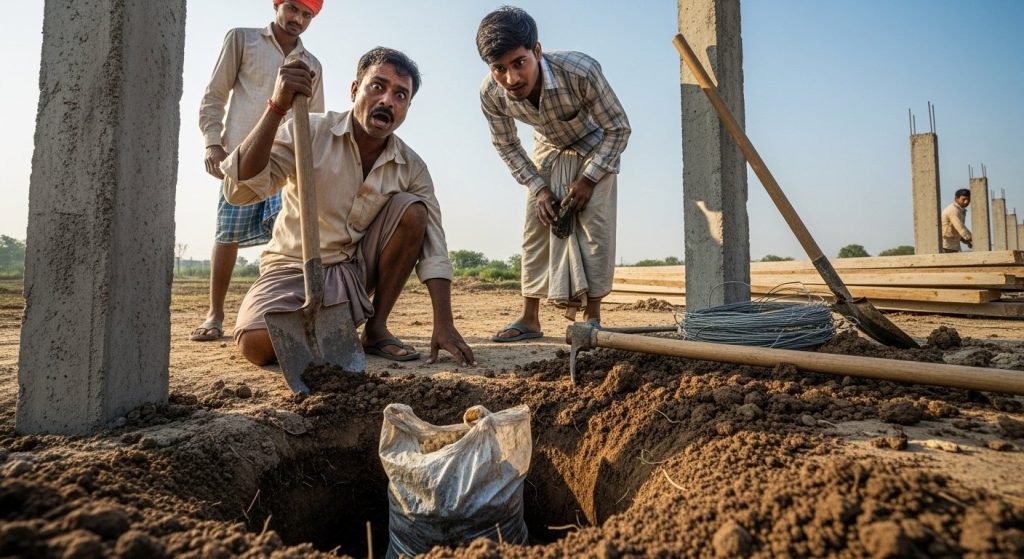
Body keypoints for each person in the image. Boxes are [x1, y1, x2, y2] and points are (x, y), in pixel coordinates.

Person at [221, 47, 475, 367]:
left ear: (407, 108)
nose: (387, 101)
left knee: (414, 211)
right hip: (291, 267)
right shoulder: (309, 130)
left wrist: (444, 323)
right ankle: (326, 329)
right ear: (355, 90)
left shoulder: (412, 167)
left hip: (352, 272)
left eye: (400, 95)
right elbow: (239, 190)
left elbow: (434, 245)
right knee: (255, 345)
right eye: (377, 86)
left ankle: (376, 327)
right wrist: (276, 107)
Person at [476, 6, 630, 342]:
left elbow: (618, 129)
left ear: (537, 51)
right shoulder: (490, 93)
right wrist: (539, 188)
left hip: (595, 143)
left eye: (519, 63)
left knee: (594, 227)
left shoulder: (580, 70)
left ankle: (591, 318)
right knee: (537, 224)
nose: (512, 79)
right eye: (499, 68)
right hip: (547, 147)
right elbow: (506, 145)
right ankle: (530, 318)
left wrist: (589, 178)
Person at [193, 0, 326, 341]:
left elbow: (314, 121)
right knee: (227, 235)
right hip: (243, 156)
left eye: (307, 15)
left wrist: (311, 170)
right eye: (293, 9)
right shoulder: (242, 39)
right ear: (278, 5)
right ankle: (215, 313)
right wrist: (212, 143)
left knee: (290, 241)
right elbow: (214, 95)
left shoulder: (311, 65)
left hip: (285, 163)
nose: (298, 19)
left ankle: (281, 311)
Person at [941, 189, 972, 253]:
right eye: (963, 199)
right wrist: (972, 239)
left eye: (968, 199)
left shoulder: (959, 210)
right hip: (947, 245)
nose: (966, 202)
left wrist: (967, 241)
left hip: (952, 245)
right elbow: (960, 227)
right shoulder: (953, 210)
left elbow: (957, 230)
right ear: (956, 198)